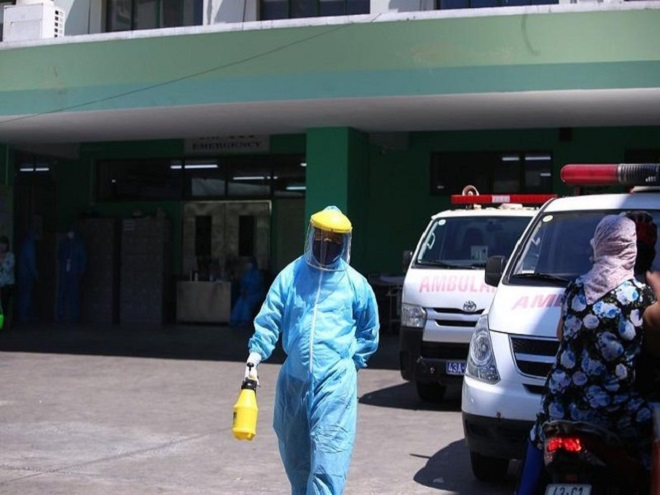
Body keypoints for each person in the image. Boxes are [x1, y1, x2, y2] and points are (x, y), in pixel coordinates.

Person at [515, 214, 658, 495]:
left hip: (558, 405)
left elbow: (561, 334)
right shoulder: (640, 296)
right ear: (629, 248)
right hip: (612, 411)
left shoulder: (575, 288)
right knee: (652, 435)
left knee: (538, 436)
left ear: (599, 245)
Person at [243, 205, 380, 495]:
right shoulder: (292, 276)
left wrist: (349, 363)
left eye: (334, 238)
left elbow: (370, 331)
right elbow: (270, 317)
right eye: (321, 236)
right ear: (311, 234)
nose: (326, 243)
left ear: (345, 242)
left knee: (328, 460)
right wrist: (256, 355)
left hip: (335, 385)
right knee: (297, 461)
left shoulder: (355, 284)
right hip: (294, 381)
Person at [56, 225, 87, 323]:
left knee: (74, 295)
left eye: (71, 232)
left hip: (74, 272)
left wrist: (80, 272)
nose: (70, 234)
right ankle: (60, 314)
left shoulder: (79, 244)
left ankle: (74, 316)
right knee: (62, 294)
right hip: (65, 272)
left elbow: (83, 259)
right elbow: (59, 255)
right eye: (69, 232)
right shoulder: (64, 243)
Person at [229, 256, 265, 328]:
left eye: (249, 263)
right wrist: (243, 291)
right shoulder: (245, 274)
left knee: (246, 303)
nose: (248, 265)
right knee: (240, 302)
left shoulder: (258, 274)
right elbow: (242, 285)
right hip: (246, 294)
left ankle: (245, 320)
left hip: (256, 294)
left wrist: (248, 292)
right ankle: (234, 319)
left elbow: (257, 286)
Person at [17, 228, 38, 325]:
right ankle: (24, 316)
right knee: (26, 295)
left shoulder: (25, 243)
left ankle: (24, 315)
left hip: (23, 273)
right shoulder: (29, 244)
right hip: (27, 275)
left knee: (23, 295)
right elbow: (30, 261)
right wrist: (35, 274)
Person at [0, 235, 15, 328]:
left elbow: (8, 268)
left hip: (7, 285)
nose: (2, 246)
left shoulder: (10, 256)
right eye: (1, 244)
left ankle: (3, 325)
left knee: (5, 306)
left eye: (4, 244)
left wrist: (2, 261)